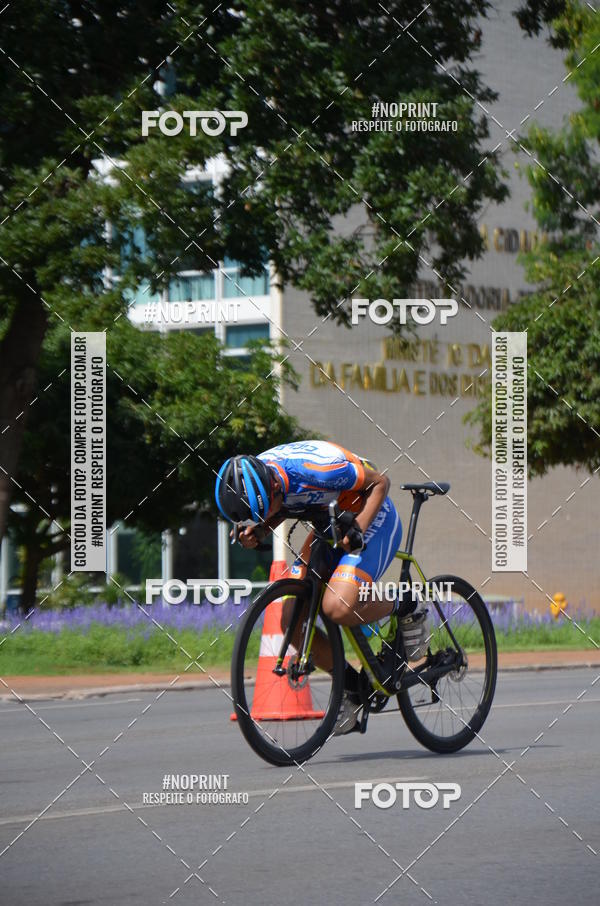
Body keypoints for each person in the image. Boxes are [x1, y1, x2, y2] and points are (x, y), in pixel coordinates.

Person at [215, 440, 420, 734]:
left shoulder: (318, 471)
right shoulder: (256, 478)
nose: (262, 519)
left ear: (274, 487)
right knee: (291, 618)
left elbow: (381, 482)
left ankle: (408, 604)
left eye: (263, 513)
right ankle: (353, 688)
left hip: (371, 514)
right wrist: (258, 530)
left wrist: (358, 529)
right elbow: (281, 507)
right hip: (329, 521)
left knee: (337, 606)